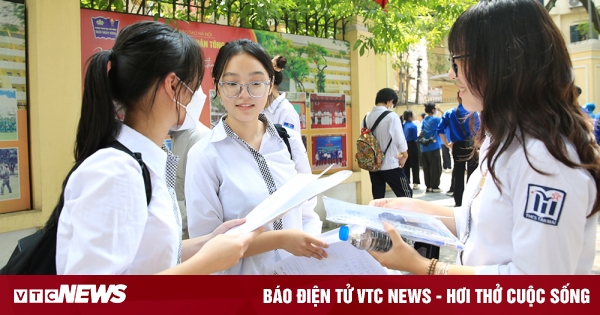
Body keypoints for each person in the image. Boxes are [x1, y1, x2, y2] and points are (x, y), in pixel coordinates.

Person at [369, 0, 600, 275]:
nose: (453, 74)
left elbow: (536, 288)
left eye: (458, 61)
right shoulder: (502, 138)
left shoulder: (546, 159)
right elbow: (479, 223)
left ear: (503, 62)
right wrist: (408, 208)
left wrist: (425, 267)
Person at [55, 21, 261, 275]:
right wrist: (206, 263)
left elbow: (150, 256)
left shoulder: (142, 162)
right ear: (173, 85)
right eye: (194, 85)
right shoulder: (114, 173)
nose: (196, 95)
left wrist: (209, 243)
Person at [185, 39, 327, 275]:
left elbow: (307, 213)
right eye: (232, 83)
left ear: (270, 84)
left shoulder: (289, 141)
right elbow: (206, 245)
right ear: (218, 87)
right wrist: (280, 239)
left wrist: (310, 253)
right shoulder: (204, 155)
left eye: (256, 83)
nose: (244, 94)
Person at [365, 88, 412, 199]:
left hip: (374, 165)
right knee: (406, 195)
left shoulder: (366, 117)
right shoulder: (391, 116)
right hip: (390, 163)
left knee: (378, 198)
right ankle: (406, 216)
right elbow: (399, 139)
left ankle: (379, 216)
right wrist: (405, 155)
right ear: (390, 101)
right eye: (393, 104)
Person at [169, 124, 212, 240]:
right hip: (182, 231)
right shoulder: (177, 137)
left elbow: (201, 199)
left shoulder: (198, 137)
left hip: (194, 235)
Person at [438, 93, 480, 206]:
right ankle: (471, 199)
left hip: (457, 146)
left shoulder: (450, 112)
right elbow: (480, 131)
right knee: (472, 174)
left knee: (458, 173)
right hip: (472, 146)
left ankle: (458, 200)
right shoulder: (474, 112)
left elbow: (440, 130)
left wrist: (447, 144)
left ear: (457, 98)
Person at [263, 55, 301, 132]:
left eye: (256, 82)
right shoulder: (258, 108)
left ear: (271, 83)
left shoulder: (286, 112)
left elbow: (290, 143)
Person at [420, 102, 443, 193]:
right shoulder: (436, 120)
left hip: (424, 147)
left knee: (426, 167)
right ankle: (435, 186)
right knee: (436, 167)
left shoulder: (424, 120)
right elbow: (446, 119)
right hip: (434, 146)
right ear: (433, 110)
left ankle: (428, 186)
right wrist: (440, 110)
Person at [402, 110, 420, 190]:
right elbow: (415, 138)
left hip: (404, 145)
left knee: (406, 164)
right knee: (415, 164)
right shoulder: (413, 126)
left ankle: (407, 181)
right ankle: (415, 182)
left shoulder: (402, 125)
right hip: (412, 144)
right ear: (410, 116)